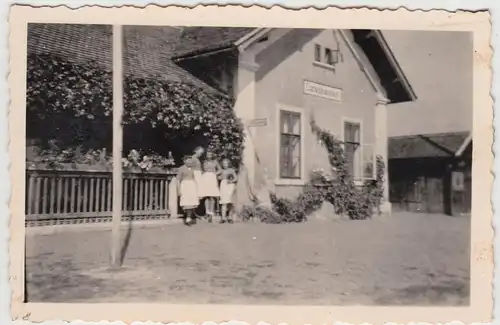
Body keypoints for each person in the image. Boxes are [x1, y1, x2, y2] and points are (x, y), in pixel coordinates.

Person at [177, 155, 199, 226]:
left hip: (192, 185)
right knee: (186, 202)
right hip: (185, 186)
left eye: (190, 160)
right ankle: (188, 216)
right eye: (188, 160)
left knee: (192, 202)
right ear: (184, 161)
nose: (189, 162)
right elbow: (178, 180)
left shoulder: (194, 169)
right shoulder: (181, 168)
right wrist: (179, 189)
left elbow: (197, 178)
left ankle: (188, 217)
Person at [200, 151, 221, 222]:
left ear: (212, 155)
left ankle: (211, 213)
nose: (209, 156)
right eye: (207, 155)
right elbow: (201, 170)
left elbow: (220, 170)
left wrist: (215, 173)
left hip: (212, 178)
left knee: (212, 196)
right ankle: (207, 212)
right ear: (206, 155)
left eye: (210, 155)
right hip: (205, 178)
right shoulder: (204, 162)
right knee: (206, 196)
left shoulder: (215, 162)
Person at [219, 158, 238, 224]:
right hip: (223, 185)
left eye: (226, 163)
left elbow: (236, 178)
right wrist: (220, 177)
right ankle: (223, 218)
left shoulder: (232, 170)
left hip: (230, 186)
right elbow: (218, 177)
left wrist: (231, 181)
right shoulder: (221, 170)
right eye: (223, 164)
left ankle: (230, 217)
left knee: (230, 202)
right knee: (224, 202)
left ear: (229, 164)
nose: (225, 165)